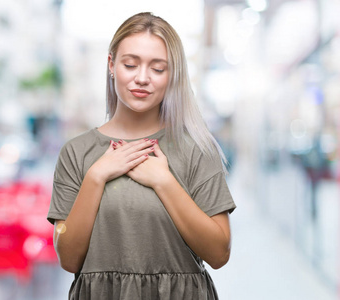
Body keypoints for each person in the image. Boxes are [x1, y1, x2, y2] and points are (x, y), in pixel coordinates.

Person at [47, 12, 236, 300]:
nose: (142, 78)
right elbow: (69, 259)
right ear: (112, 65)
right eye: (130, 64)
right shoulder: (76, 152)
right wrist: (96, 176)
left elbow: (219, 253)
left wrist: (164, 182)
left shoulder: (197, 149)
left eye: (158, 68)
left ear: (172, 75)